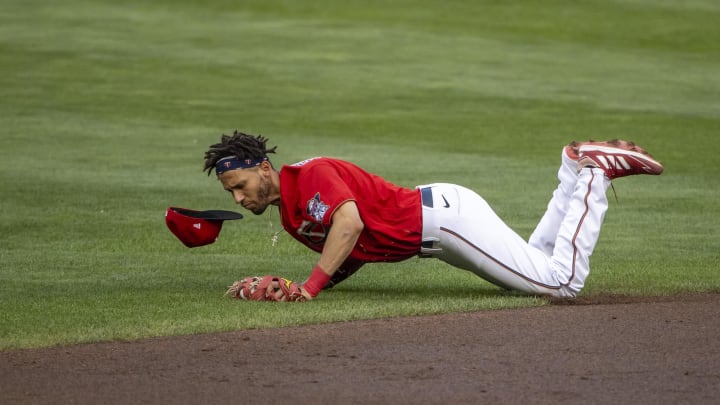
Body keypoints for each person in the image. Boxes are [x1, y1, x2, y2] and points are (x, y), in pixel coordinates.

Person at [203, 131, 663, 301]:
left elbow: (350, 224)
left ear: (264, 168)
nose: (240, 199)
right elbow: (353, 251)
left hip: (446, 223)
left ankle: (593, 175)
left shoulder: (311, 175)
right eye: (232, 193)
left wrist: (309, 288)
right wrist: (296, 285)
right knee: (538, 264)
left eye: (240, 186)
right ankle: (572, 168)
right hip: (443, 222)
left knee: (562, 283)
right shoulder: (291, 214)